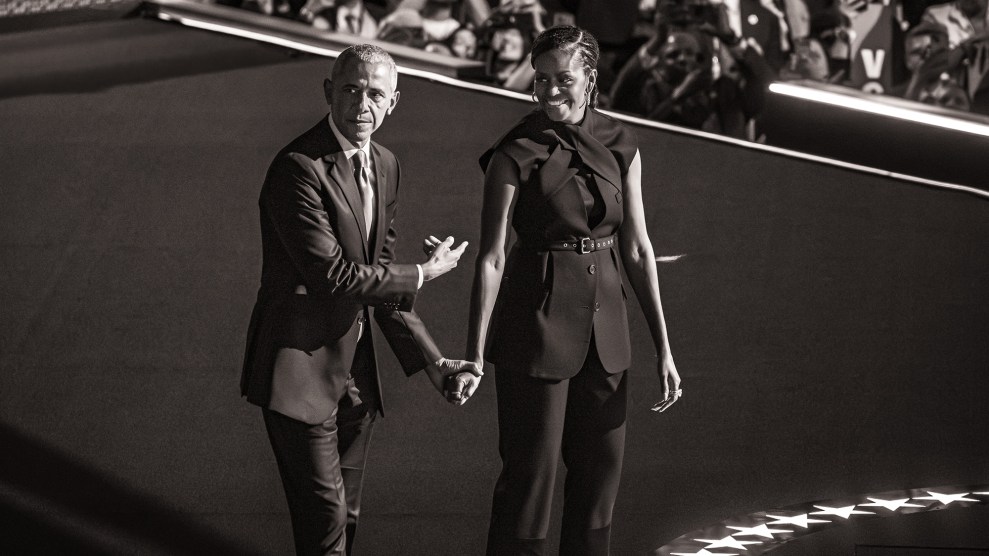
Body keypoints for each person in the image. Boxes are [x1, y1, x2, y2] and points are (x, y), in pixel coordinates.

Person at [451, 24, 683, 556]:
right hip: (535, 329)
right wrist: (474, 356)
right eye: (541, 79)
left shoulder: (623, 143)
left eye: (565, 78)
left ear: (591, 78)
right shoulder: (515, 150)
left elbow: (640, 249)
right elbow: (491, 256)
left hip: (608, 333)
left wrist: (664, 349)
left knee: (599, 486)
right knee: (529, 485)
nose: (551, 90)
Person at [240, 44, 479, 556]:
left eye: (375, 93)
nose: (361, 103)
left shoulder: (387, 165)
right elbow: (334, 276)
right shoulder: (297, 168)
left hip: (355, 381)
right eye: (350, 89)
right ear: (330, 92)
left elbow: (379, 284)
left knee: (346, 519)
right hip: (300, 374)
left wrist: (435, 363)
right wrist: (422, 272)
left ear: (393, 102)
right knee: (325, 527)